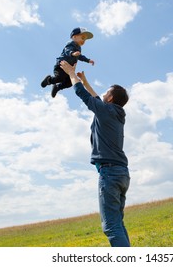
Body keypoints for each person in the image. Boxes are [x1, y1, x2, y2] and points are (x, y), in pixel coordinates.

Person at [60, 60, 131, 247]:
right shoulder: (115, 112)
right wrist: (85, 80)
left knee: (111, 227)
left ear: (111, 99)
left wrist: (71, 73)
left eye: (107, 92)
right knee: (118, 223)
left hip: (109, 173)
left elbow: (82, 95)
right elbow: (96, 99)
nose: (104, 94)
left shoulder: (106, 111)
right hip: (122, 173)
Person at [41, 27, 95, 98]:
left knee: (70, 82)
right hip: (61, 65)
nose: (84, 40)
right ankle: (48, 80)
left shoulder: (79, 48)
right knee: (59, 78)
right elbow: (67, 50)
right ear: (74, 37)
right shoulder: (71, 43)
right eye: (83, 37)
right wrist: (72, 53)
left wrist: (88, 60)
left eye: (85, 39)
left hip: (68, 70)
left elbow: (80, 56)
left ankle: (57, 87)